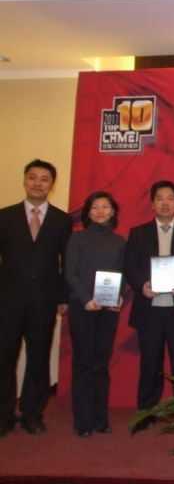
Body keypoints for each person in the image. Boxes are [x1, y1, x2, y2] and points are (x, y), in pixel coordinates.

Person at [0, 159, 72, 436]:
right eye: (33, 177)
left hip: (44, 301)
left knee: (39, 359)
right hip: (7, 301)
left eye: (44, 179)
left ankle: (32, 414)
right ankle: (4, 415)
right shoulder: (5, 216)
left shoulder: (62, 220)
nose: (38, 183)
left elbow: (66, 262)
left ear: (51, 185)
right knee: (4, 357)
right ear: (24, 180)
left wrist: (63, 297)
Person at [125, 181, 174, 431]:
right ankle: (146, 412)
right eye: (160, 198)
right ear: (152, 204)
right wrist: (141, 286)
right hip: (149, 308)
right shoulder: (138, 233)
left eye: (170, 198)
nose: (165, 203)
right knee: (150, 362)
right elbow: (130, 267)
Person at [65, 191, 126, 437]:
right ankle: (83, 421)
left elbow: (122, 274)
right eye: (95, 207)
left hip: (108, 310)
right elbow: (70, 273)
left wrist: (120, 296)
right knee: (83, 363)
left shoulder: (120, 241)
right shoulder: (77, 238)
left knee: (101, 363)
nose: (100, 211)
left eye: (105, 207)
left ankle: (100, 419)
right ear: (87, 213)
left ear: (113, 211)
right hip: (83, 307)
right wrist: (85, 299)